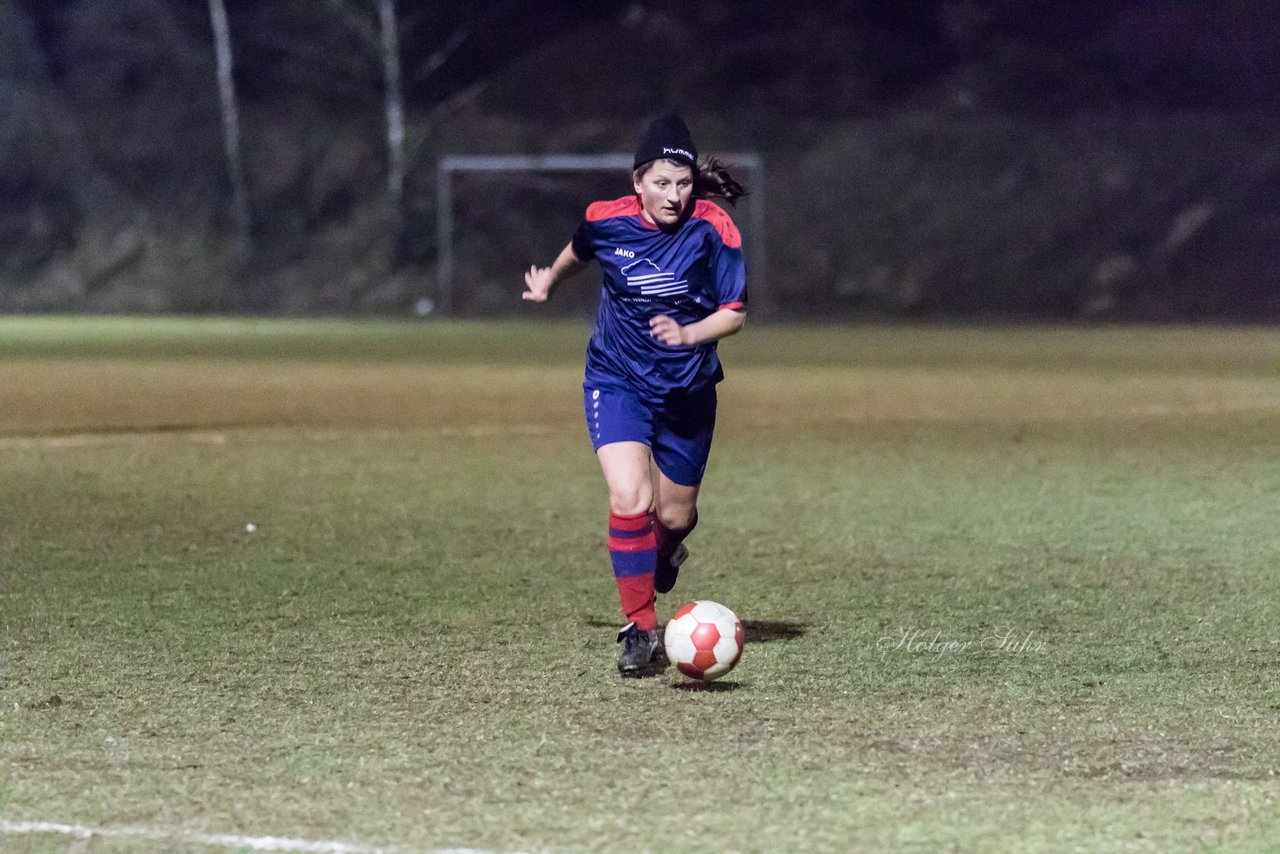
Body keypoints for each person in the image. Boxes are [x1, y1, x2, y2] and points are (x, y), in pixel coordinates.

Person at [522, 114, 749, 676]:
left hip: (687, 390)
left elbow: (735, 313)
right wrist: (550, 280)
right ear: (637, 182)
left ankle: (664, 553)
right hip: (617, 378)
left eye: (684, 182)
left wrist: (689, 333)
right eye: (663, 183)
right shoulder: (607, 221)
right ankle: (640, 630)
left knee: (675, 517)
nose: (675, 195)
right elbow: (579, 250)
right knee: (630, 499)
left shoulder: (713, 227)